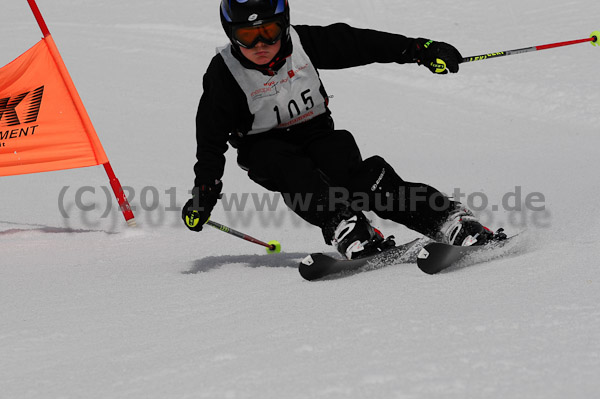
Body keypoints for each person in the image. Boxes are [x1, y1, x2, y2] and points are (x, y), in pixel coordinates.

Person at [182, 0, 505, 259]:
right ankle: (343, 224)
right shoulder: (224, 74)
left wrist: (419, 50)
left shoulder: (303, 43)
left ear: (285, 24)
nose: (262, 44)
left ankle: (446, 219)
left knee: (362, 179)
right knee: (290, 170)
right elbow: (210, 138)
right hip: (264, 148)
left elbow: (359, 44)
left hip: (317, 134)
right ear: (231, 35)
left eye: (270, 31)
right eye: (248, 36)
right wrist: (205, 192)